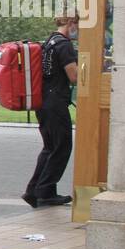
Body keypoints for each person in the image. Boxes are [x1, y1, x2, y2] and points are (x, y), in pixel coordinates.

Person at [23, 13, 79, 208]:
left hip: (43, 101)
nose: (78, 31)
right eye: (77, 26)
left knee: (50, 147)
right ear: (71, 23)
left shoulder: (48, 43)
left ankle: (34, 191)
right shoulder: (64, 45)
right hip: (55, 103)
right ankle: (45, 191)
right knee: (62, 147)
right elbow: (74, 76)